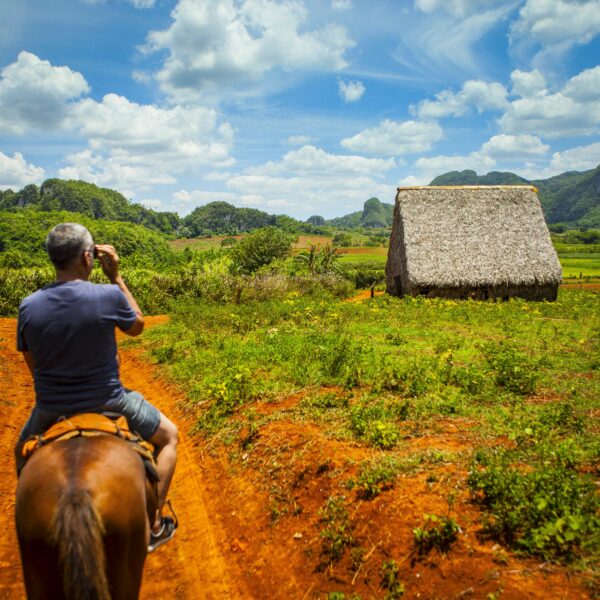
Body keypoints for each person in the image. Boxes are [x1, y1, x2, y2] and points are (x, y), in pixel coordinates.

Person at [15, 223, 178, 552]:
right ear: (88, 257)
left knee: (20, 455)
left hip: (50, 408)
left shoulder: (29, 306)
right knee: (170, 435)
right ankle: (154, 522)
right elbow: (139, 326)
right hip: (111, 401)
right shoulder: (108, 294)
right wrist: (115, 276)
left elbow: (34, 367)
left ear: (53, 259)